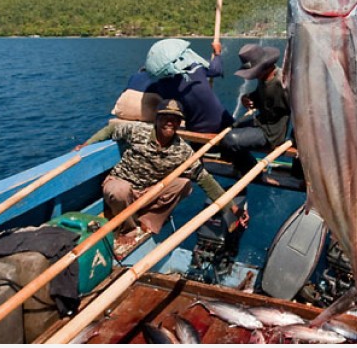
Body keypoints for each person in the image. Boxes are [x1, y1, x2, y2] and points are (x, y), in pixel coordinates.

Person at [77, 99, 246, 243]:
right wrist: (87, 145)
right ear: (157, 119)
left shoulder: (182, 150)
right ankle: (127, 228)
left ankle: (146, 220)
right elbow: (111, 130)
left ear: (180, 123)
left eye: (175, 119)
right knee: (119, 191)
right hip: (123, 183)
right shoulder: (138, 131)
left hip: (148, 192)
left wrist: (231, 208)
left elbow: (204, 179)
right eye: (166, 117)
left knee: (185, 184)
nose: (170, 122)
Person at [220, 44, 291, 180]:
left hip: (271, 133)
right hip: (260, 122)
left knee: (230, 140)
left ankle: (251, 171)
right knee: (228, 127)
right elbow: (261, 98)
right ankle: (242, 163)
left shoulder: (282, 83)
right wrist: (246, 98)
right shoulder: (264, 78)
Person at [144, 38, 233, 133]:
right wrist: (217, 53)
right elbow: (216, 70)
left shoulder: (162, 86)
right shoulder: (197, 67)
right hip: (223, 123)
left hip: (196, 129)